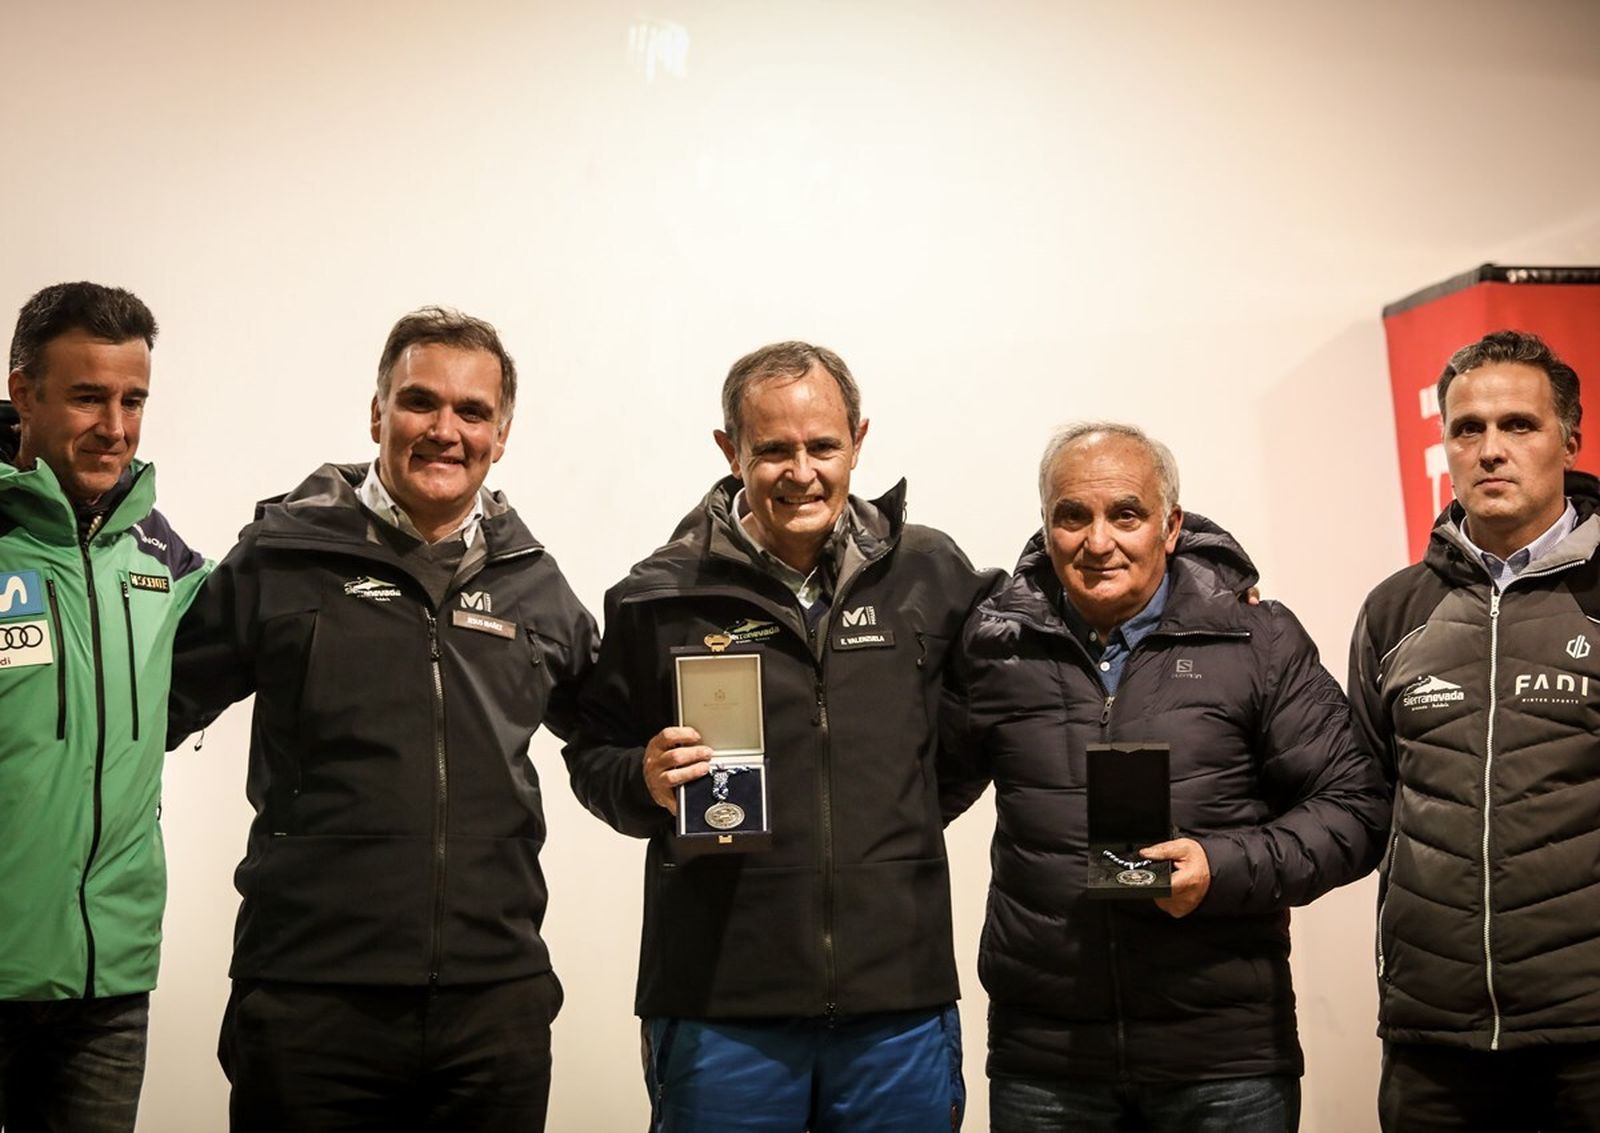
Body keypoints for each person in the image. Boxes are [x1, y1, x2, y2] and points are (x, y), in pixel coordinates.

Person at [166, 306, 597, 1132]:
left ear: (501, 434)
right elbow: (142, 705)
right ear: (377, 414)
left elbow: (614, 735)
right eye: (419, 402)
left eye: (472, 412)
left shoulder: (532, 582)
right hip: (307, 1003)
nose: (445, 430)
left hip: (492, 1007)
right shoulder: (282, 556)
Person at [564, 341, 998, 1132]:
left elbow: (977, 727)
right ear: (730, 450)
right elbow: (593, 755)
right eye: (772, 449)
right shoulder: (658, 595)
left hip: (897, 1000)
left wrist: (895, 821)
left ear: (858, 441)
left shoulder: (931, 574)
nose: (802, 471)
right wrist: (644, 781)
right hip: (718, 1006)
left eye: (823, 446)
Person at [942, 421, 1389, 1133]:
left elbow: (1357, 807)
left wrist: (1221, 866)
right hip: (1047, 1063)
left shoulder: (1258, 640)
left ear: (1171, 524)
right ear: (1046, 524)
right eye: (1072, 516)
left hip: (1224, 1058)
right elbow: (907, 789)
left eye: (1126, 513)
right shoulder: (996, 647)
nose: (1098, 541)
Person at [1350, 330, 1600, 1132]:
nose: (1491, 450)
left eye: (1518, 425)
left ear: (1571, 436)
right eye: (1468, 429)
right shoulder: (1396, 609)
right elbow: (1361, 797)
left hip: (1589, 1038)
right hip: (1435, 1041)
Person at [0, 282, 208, 1132]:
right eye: (88, 396)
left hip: (109, 984)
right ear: (25, 393)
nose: (116, 428)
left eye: (133, 400)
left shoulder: (165, 559)